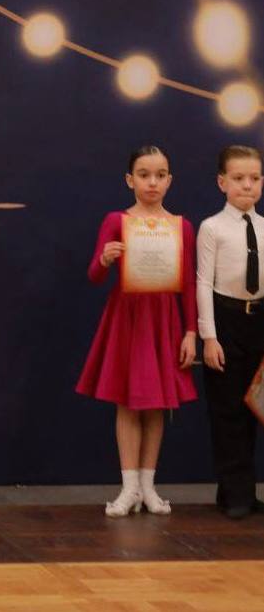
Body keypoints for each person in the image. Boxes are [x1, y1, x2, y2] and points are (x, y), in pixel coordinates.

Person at [76, 146, 197, 517]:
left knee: (157, 403)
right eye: (144, 175)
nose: (152, 182)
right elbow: (94, 276)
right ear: (130, 180)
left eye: (160, 175)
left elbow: (188, 284)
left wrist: (190, 331)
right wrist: (104, 259)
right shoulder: (117, 220)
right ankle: (128, 487)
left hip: (164, 320)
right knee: (128, 401)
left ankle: (148, 486)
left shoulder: (181, 226)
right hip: (127, 319)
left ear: (170, 180)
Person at [197, 144, 264, 520]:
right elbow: (203, 283)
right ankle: (234, 493)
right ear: (222, 182)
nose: (247, 186)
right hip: (226, 319)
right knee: (227, 411)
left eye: (254, 178)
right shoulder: (212, 228)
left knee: (255, 406)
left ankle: (244, 492)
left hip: (259, 320)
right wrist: (209, 337)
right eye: (238, 178)